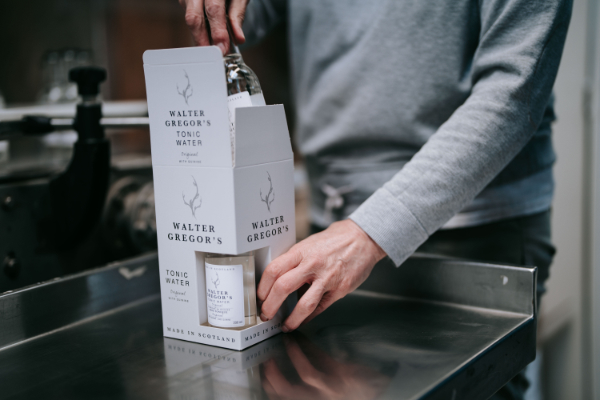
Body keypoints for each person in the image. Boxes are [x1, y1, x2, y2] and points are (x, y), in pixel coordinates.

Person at [178, 1, 572, 398]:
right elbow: (248, 18)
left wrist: (371, 231)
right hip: (332, 232)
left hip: (472, 225)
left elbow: (515, 88)